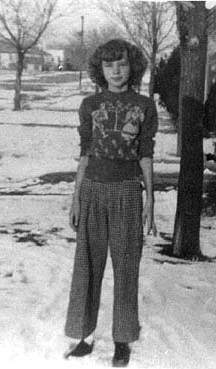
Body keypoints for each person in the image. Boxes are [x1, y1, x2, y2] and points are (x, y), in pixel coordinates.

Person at [64, 39, 158, 367]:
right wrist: (76, 198)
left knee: (126, 267)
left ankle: (122, 340)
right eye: (109, 65)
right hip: (92, 191)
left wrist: (151, 200)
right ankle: (83, 336)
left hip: (128, 194)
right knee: (87, 265)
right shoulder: (89, 105)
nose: (116, 71)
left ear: (132, 66)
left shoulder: (144, 106)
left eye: (122, 64)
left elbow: (146, 155)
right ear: (99, 70)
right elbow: (85, 154)